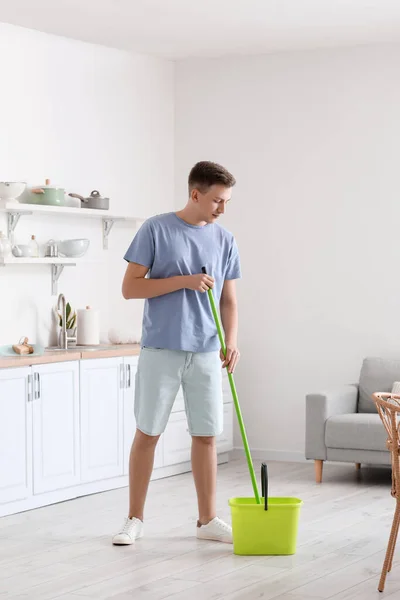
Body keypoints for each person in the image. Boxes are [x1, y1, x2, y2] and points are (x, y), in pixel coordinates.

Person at [112, 161, 241, 546]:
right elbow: (130, 288)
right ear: (195, 194)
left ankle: (207, 520)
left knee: (206, 436)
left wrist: (231, 341)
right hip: (162, 348)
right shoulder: (156, 228)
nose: (222, 209)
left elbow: (229, 301)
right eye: (217, 200)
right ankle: (134, 518)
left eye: (227, 201)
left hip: (205, 352)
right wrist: (185, 281)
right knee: (148, 432)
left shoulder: (225, 239)